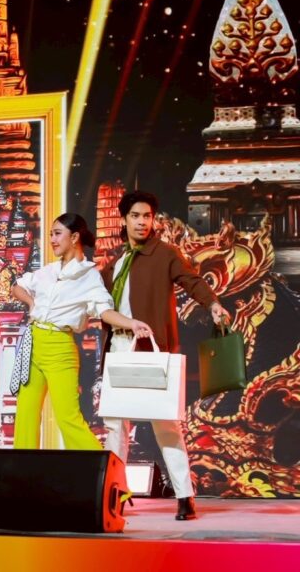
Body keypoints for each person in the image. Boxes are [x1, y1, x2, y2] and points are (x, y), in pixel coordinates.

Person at [100, 190, 231, 521]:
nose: (142, 222)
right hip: (119, 347)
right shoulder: (116, 262)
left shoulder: (165, 253)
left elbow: (191, 280)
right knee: (115, 426)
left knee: (166, 425)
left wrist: (212, 304)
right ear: (124, 219)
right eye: (135, 216)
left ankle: (185, 496)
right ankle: (115, 495)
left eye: (147, 216)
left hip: (152, 348)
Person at [10, 213, 153, 450]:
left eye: (58, 234)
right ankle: (20, 471)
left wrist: (131, 323)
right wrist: (31, 303)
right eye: (51, 234)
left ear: (75, 237)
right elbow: (17, 287)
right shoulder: (47, 271)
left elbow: (105, 311)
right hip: (32, 344)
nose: (52, 240)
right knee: (25, 414)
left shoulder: (89, 276)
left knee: (68, 418)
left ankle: (102, 469)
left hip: (60, 347)